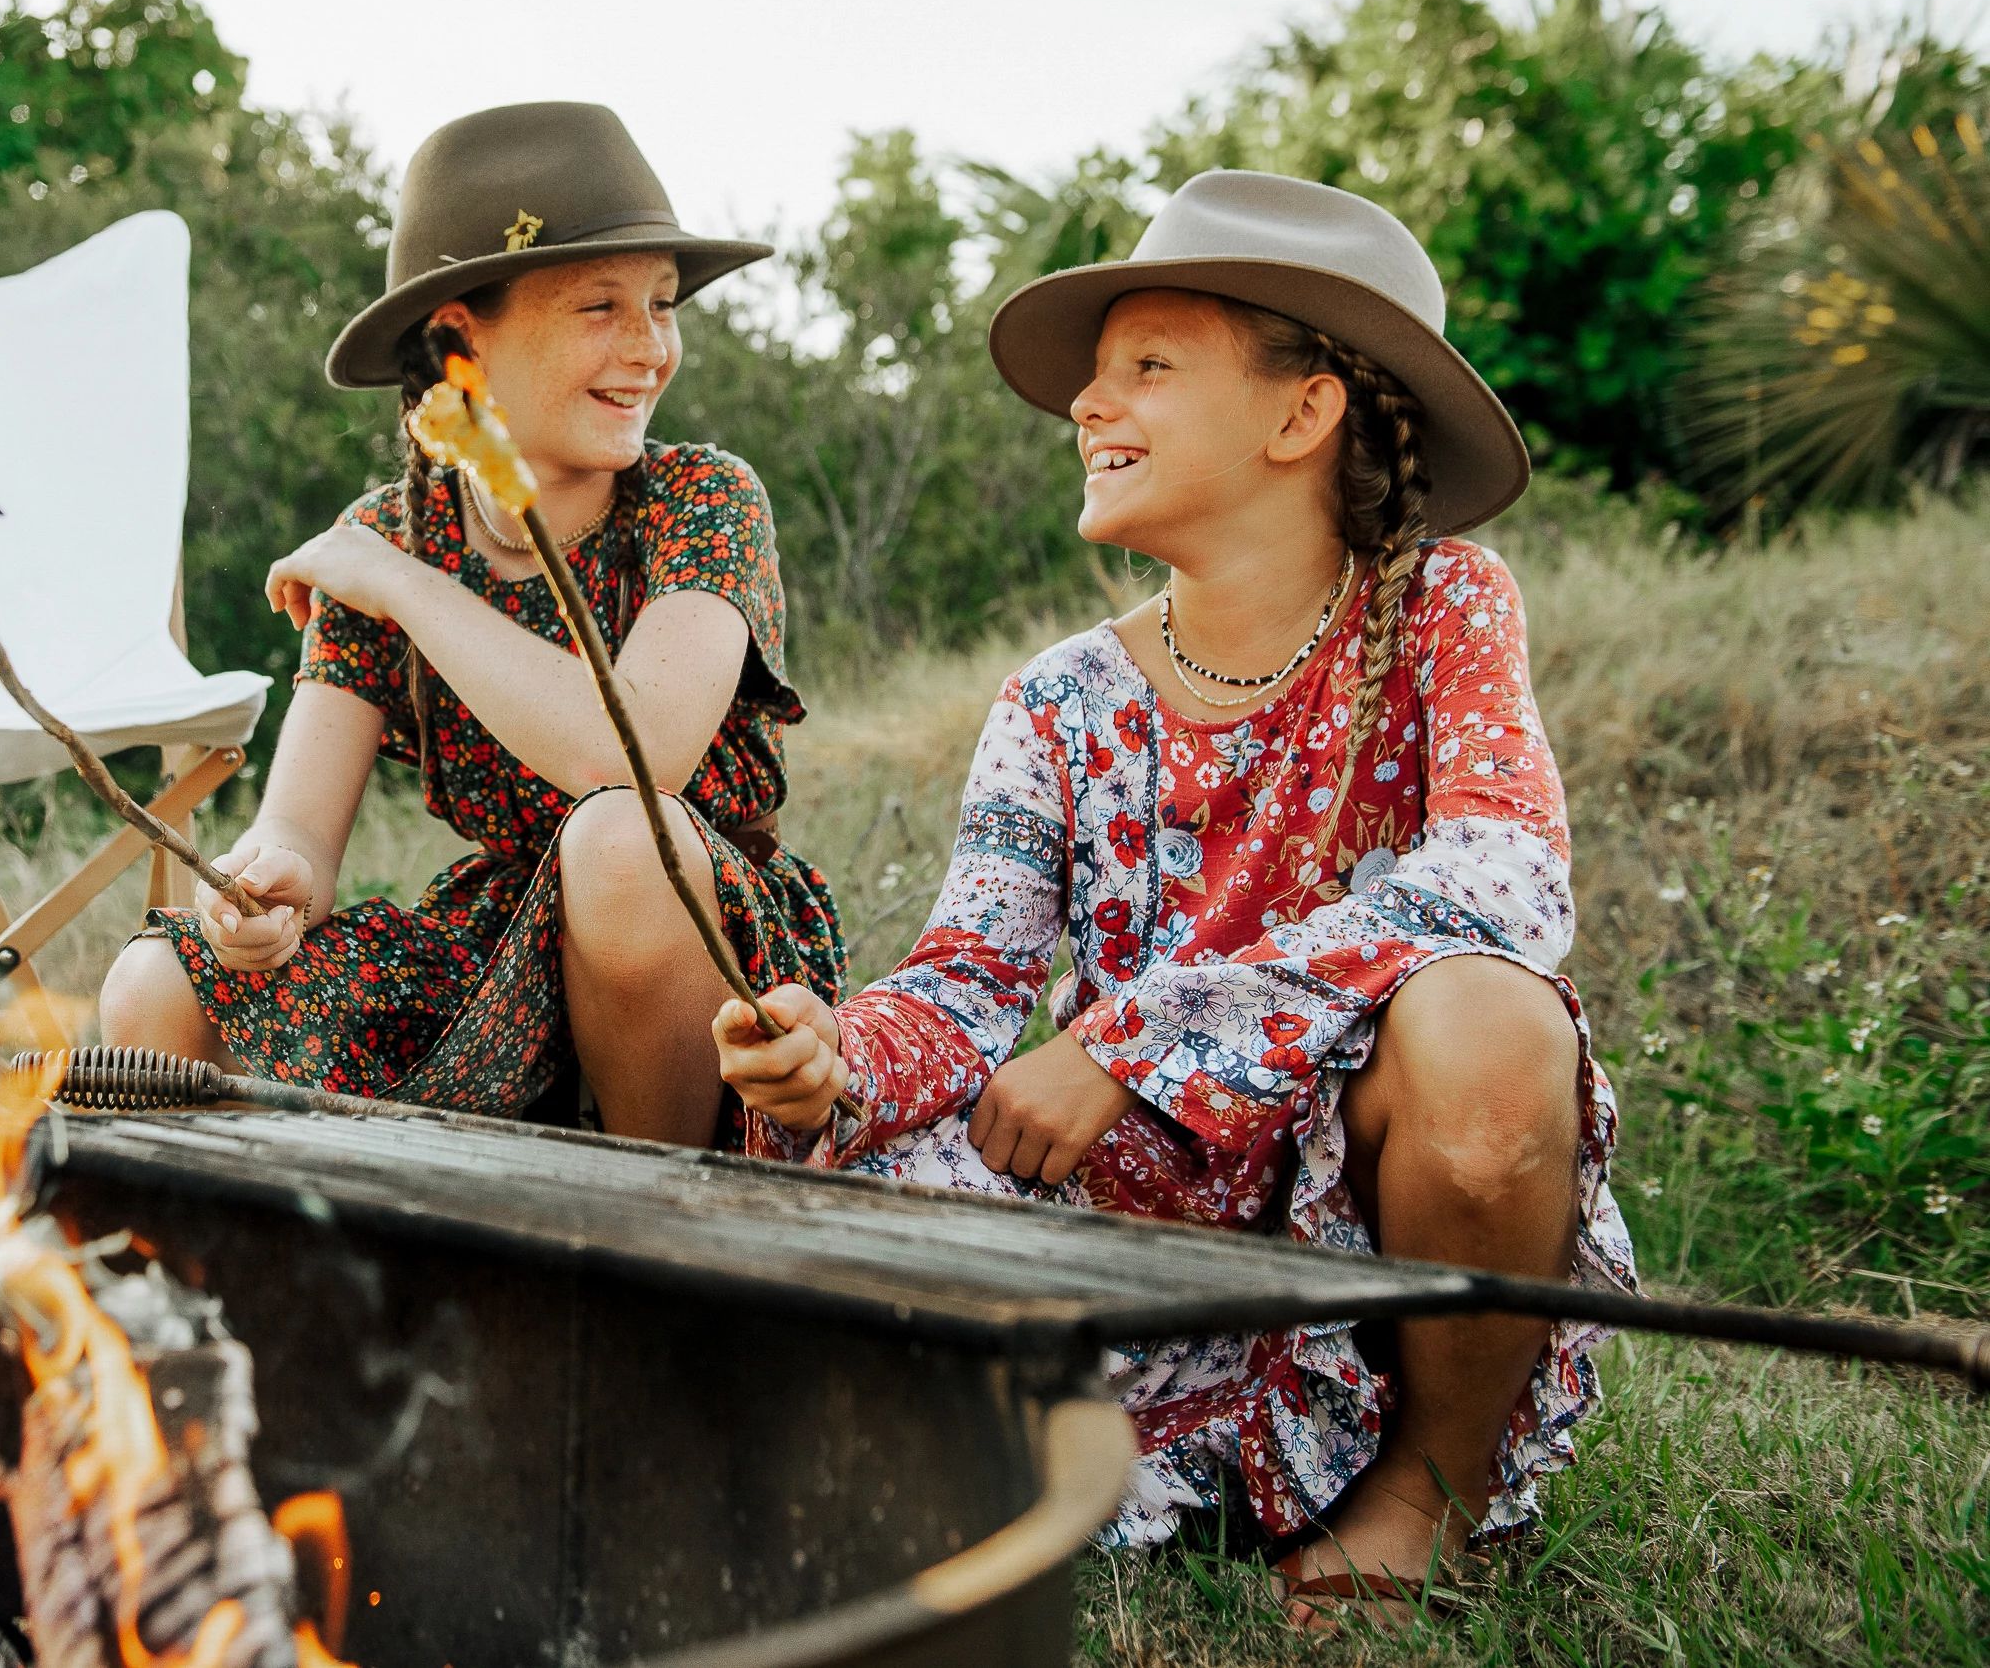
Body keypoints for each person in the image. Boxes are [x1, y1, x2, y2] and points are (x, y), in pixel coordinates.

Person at [714, 171, 1638, 1621]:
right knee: (843, 1211)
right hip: (1134, 1206)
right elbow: (968, 981)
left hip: (1364, 1204)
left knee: (1491, 1024)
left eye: (1148, 363)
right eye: (1095, 375)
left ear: (1299, 413)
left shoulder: (1446, 604)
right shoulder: (1061, 696)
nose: (1089, 402)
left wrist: (1135, 1040)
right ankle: (1140, 1450)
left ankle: (1428, 1485)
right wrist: (838, 1052)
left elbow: (1504, 877)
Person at [102, 103, 844, 1145]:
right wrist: (263, 886)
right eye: (601, 306)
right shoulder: (389, 533)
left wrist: (403, 586)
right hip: (489, 957)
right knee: (157, 982)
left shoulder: (699, 499)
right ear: (459, 338)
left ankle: (666, 1252)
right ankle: (256, 1283)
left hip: (697, 948)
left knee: (620, 839)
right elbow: (299, 829)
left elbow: (639, 755)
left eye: (663, 304)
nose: (650, 348)